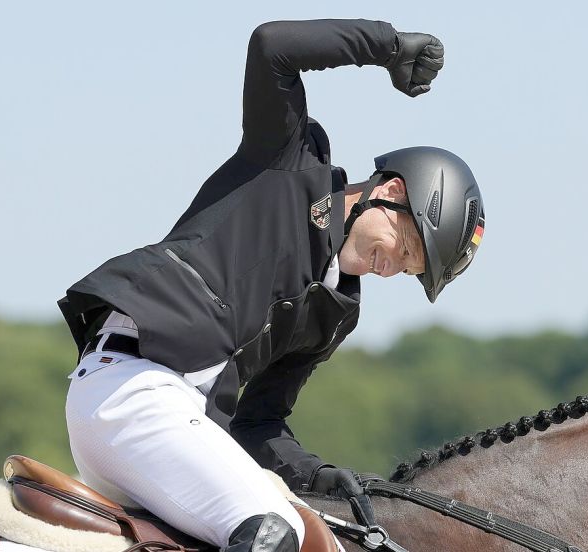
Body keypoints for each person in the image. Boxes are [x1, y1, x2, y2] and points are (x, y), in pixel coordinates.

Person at [57, 18, 485, 552]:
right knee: (272, 536)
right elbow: (271, 48)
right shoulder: (287, 160)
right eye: (406, 248)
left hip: (181, 423)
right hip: (134, 388)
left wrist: (314, 473)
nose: (391, 268)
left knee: (325, 538)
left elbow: (259, 419)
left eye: (408, 269)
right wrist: (387, 47)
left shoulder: (335, 311)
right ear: (390, 191)